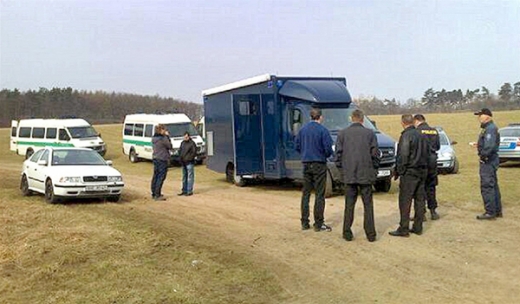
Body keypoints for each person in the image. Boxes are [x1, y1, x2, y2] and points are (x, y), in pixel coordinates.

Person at [335, 109, 379, 242]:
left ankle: (347, 232)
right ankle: (370, 234)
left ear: (351, 118)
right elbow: (375, 154)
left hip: (349, 174)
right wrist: (374, 169)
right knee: (368, 205)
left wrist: (342, 169)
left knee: (349, 205)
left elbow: (338, 155)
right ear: (362, 119)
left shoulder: (342, 134)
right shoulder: (370, 133)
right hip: (366, 174)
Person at [389, 114, 428, 237]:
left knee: (405, 201)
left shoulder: (406, 136)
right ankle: (418, 227)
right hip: (422, 171)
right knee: (420, 200)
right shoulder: (422, 135)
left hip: (409, 172)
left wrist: (399, 171)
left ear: (403, 122)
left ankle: (403, 228)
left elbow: (403, 155)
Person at [295, 108, 334, 232]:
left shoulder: (302, 130)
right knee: (319, 194)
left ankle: (304, 222)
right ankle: (318, 223)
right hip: (319, 164)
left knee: (306, 193)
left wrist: (305, 153)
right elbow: (328, 149)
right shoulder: (323, 130)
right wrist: (324, 155)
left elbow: (297, 146)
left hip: (306, 163)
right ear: (320, 117)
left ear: (310, 117)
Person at [473, 108, 502, 220]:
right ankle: (497, 210)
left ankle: (490, 212)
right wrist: (479, 145)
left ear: (487, 116)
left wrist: (483, 156)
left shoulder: (490, 129)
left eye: (480, 115)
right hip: (492, 159)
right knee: (493, 185)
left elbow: (489, 146)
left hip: (488, 161)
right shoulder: (489, 128)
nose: (479, 117)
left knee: (487, 186)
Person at [413, 114, 441, 220]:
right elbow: (438, 146)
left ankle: (421, 213)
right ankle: (433, 211)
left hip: (422, 161)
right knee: (431, 186)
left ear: (416, 121)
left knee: (420, 187)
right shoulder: (434, 131)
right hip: (433, 161)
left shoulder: (417, 131)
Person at [151, 124, 172, 201]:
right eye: (164, 130)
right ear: (161, 130)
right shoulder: (163, 139)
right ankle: (157, 194)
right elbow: (170, 146)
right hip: (162, 158)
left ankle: (154, 193)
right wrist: (167, 136)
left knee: (155, 176)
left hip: (156, 158)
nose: (165, 131)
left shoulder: (154, 138)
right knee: (161, 177)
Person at [178, 131, 197, 196]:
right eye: (184, 137)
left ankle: (189, 191)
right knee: (184, 177)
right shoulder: (182, 143)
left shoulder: (192, 143)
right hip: (183, 163)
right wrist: (180, 158)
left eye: (186, 136)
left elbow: (194, 152)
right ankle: (184, 190)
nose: (185, 138)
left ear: (189, 136)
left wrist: (189, 159)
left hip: (189, 163)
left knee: (190, 177)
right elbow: (180, 151)